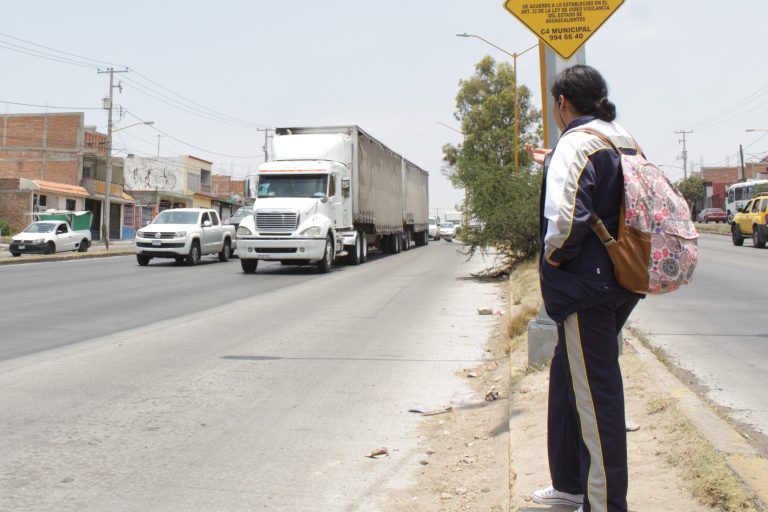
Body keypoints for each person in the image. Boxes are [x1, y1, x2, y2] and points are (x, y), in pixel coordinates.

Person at [525, 65, 644, 512]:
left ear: (561, 103)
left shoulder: (573, 144)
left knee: (597, 398)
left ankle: (605, 504)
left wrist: (554, 261)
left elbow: (563, 222)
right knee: (568, 377)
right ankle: (570, 483)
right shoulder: (620, 136)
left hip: (585, 288)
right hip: (622, 277)